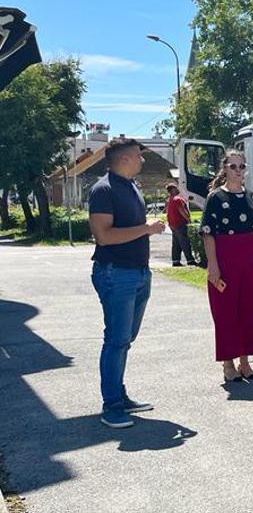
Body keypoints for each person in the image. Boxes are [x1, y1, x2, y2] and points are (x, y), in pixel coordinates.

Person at [88, 137, 165, 428]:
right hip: (115, 272)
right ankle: (112, 406)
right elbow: (104, 236)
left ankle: (118, 394)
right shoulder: (103, 190)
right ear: (123, 159)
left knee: (125, 339)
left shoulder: (130, 186)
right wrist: (146, 229)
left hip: (138, 272)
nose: (142, 160)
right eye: (138, 156)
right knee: (116, 340)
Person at [201, 150, 253, 383]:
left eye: (242, 166)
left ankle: (245, 361)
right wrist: (213, 267)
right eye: (233, 166)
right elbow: (208, 234)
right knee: (226, 310)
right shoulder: (215, 197)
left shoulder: (251, 196)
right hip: (225, 258)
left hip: (250, 259)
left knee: (250, 309)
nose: (238, 171)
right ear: (225, 168)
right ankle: (228, 363)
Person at [166, 182, 195, 267]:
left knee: (176, 243)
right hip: (180, 223)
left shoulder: (170, 199)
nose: (178, 189)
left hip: (172, 224)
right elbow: (182, 210)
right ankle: (190, 260)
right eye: (176, 188)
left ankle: (176, 261)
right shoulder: (177, 199)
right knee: (185, 242)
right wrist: (189, 220)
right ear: (172, 190)